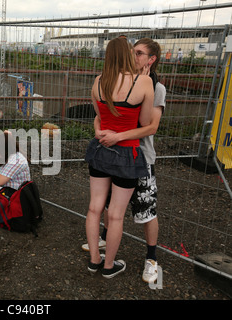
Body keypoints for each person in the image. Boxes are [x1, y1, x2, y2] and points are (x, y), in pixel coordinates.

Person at [82, 38, 166, 284]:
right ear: (127, 55)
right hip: (128, 154)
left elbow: (99, 117)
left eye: (139, 52)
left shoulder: (98, 81)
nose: (135, 55)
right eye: (133, 52)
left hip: (101, 150)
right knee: (116, 214)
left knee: (95, 208)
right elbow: (145, 123)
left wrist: (102, 131)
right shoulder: (145, 82)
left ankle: (95, 260)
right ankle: (109, 266)